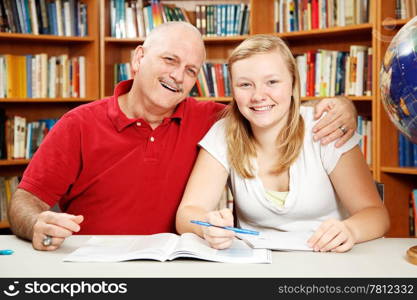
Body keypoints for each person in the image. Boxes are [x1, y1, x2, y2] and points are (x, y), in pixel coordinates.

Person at [8, 22, 357, 251]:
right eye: (169, 60)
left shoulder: (213, 119)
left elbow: (267, 105)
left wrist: (341, 106)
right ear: (139, 58)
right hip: (92, 264)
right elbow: (25, 201)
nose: (178, 75)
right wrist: (37, 222)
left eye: (191, 70)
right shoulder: (78, 124)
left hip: (175, 264)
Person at [175, 34, 390, 252]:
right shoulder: (223, 133)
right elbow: (188, 213)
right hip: (258, 265)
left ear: (293, 84)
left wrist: (350, 230)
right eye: (245, 84)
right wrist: (207, 227)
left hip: (329, 260)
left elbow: (376, 214)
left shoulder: (326, 127)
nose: (258, 96)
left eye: (272, 82)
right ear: (233, 90)